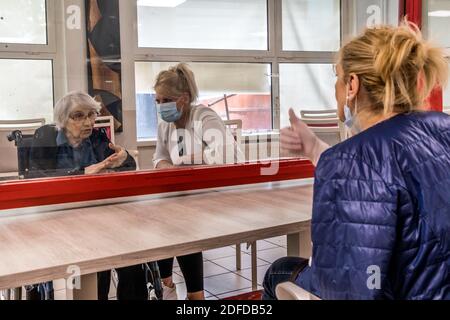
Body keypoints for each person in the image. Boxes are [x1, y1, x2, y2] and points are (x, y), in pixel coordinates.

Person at [263, 22, 450, 300]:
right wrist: (314, 147)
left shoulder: (351, 160)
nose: (335, 87)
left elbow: (347, 288)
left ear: (352, 84)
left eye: (337, 77)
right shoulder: (442, 128)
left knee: (279, 271)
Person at [27, 91, 148, 300]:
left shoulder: (98, 137)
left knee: (132, 260)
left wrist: (125, 159)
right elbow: (35, 177)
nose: (88, 122)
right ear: (63, 120)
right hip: (59, 219)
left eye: (92, 115)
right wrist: (82, 173)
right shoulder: (44, 138)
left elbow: (124, 170)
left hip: (99, 215)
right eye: (79, 116)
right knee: (95, 262)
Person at [152, 63, 243, 300]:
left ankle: (193, 294)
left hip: (221, 192)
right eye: (157, 101)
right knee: (165, 216)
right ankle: (167, 284)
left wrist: (184, 164)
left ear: (184, 98)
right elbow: (159, 157)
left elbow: (226, 156)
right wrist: (169, 168)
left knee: (178, 221)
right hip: (187, 195)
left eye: (166, 100)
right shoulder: (165, 125)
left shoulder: (203, 116)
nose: (161, 106)